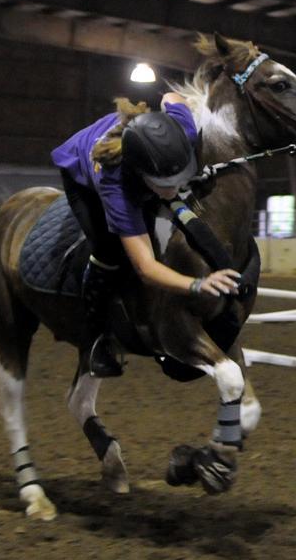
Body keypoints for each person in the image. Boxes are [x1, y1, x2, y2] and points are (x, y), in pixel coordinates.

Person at [51, 93, 241, 377]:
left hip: (138, 155)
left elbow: (171, 96)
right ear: (141, 175)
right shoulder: (114, 188)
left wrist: (179, 101)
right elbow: (145, 266)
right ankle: (94, 339)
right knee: (108, 251)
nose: (175, 188)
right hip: (80, 172)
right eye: (166, 184)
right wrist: (196, 285)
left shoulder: (183, 130)